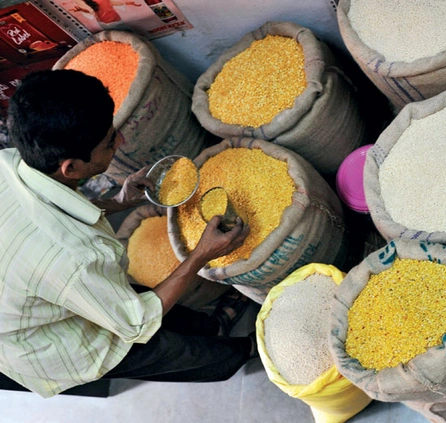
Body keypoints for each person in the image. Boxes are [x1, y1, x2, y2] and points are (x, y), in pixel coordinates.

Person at [0, 69, 255, 398]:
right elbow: (135, 321)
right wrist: (201, 254)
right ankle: (244, 351)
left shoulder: (10, 161)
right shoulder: (78, 258)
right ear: (71, 168)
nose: (120, 141)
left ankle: (215, 325)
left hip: (31, 286)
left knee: (142, 298)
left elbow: (59, 211)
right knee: (166, 350)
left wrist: (121, 201)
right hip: (51, 341)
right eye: (109, 141)